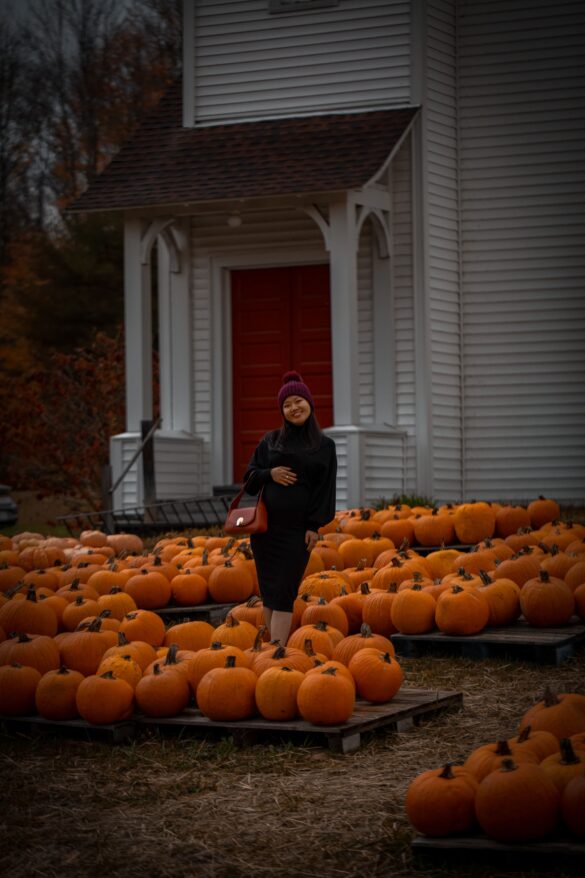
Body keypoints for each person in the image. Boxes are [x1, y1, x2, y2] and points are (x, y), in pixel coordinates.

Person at [243, 370, 337, 646]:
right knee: (270, 591)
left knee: (284, 591)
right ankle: (271, 652)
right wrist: (269, 474)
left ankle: (277, 651)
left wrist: (314, 526)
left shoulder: (324, 446)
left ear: (309, 402)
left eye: (298, 401)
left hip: (297, 532)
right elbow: (248, 479)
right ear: (282, 411)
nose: (294, 408)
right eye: (287, 404)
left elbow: (325, 489)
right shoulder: (270, 442)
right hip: (266, 531)